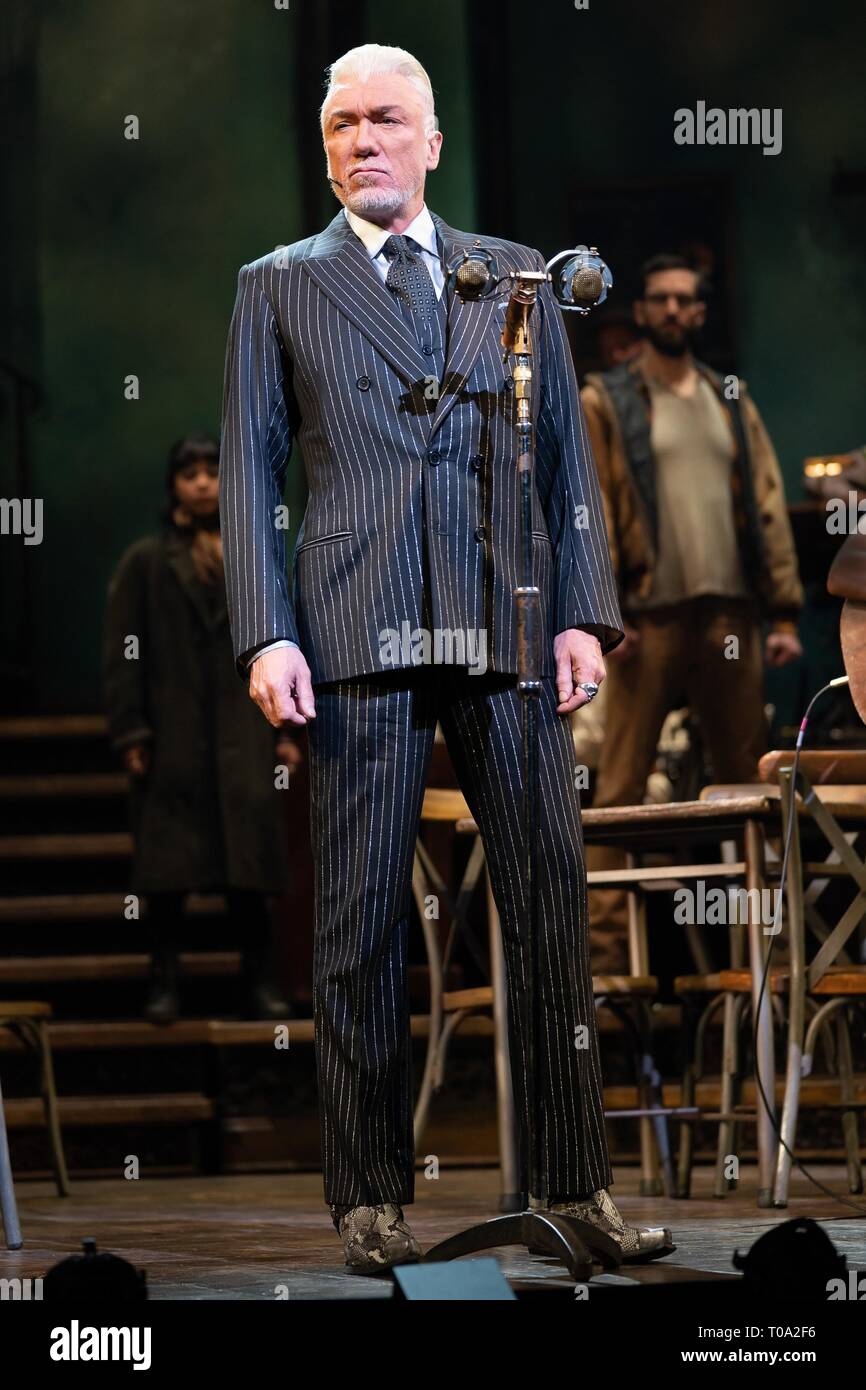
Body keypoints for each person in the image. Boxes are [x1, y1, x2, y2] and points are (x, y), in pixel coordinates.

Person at [219, 43, 672, 1272]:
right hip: (358, 629)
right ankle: (366, 1196)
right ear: (327, 148)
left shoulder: (509, 275)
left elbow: (567, 470)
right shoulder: (278, 285)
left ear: (428, 140)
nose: (362, 142)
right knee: (358, 918)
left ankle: (574, 1185)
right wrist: (265, 629)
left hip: (506, 617)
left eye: (385, 123)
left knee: (545, 903)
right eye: (342, 127)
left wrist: (583, 612)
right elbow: (251, 468)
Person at [581, 254, 804, 970]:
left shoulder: (726, 396)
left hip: (728, 615)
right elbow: (595, 512)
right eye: (660, 300)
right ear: (641, 311)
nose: (673, 310)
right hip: (647, 616)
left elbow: (766, 500)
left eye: (686, 300)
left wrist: (786, 613)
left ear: (701, 312)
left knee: (748, 781)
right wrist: (605, 612)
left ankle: (766, 958)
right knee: (620, 788)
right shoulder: (608, 400)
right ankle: (611, 967)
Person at [103, 434, 294, 1024]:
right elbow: (122, 652)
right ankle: (164, 983)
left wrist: (287, 731)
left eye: (213, 470)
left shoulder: (252, 554)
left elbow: (287, 639)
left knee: (249, 869)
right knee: (167, 876)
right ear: (173, 485)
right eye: (189, 473)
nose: (203, 482)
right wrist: (132, 731)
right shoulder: (145, 562)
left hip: (244, 734)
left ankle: (259, 982)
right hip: (175, 736)